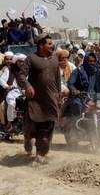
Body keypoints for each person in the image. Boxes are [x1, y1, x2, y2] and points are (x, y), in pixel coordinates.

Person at [17, 34, 61, 164]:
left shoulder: (54, 59)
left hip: (51, 99)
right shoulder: (31, 59)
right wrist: (28, 85)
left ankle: (41, 153)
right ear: (41, 45)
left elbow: (58, 78)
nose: (52, 45)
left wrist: (58, 95)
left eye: (52, 43)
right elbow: (21, 75)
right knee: (34, 127)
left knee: (47, 127)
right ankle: (28, 139)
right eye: (49, 43)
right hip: (35, 101)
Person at [65, 53, 100, 119]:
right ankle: (74, 123)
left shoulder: (98, 71)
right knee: (77, 105)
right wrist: (74, 90)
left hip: (94, 95)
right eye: (90, 61)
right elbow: (70, 83)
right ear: (85, 61)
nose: (92, 63)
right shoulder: (78, 71)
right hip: (81, 95)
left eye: (94, 61)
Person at [0, 53, 26, 131]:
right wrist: (7, 86)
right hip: (11, 92)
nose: (21, 63)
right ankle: (9, 123)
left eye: (23, 62)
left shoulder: (25, 71)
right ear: (16, 62)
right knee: (11, 103)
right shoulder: (9, 70)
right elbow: (1, 80)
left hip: (23, 92)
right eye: (20, 61)